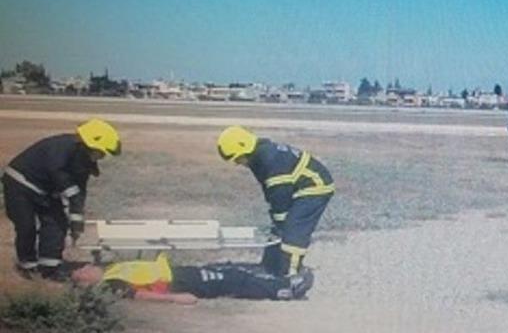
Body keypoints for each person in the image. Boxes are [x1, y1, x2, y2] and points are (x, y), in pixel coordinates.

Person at [2, 119, 121, 280]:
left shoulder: (83, 159)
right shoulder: (62, 146)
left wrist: (76, 220)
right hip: (20, 184)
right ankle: (27, 266)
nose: (100, 157)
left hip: (45, 192)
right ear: (88, 144)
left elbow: (79, 191)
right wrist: (70, 193)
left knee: (57, 223)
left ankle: (49, 268)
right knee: (26, 226)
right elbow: (56, 172)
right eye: (99, 152)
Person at [217, 126, 334, 277]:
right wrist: (277, 220)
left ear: (245, 149)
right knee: (279, 227)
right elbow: (269, 189)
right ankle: (270, 267)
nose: (239, 163)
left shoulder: (269, 160)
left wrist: (280, 220)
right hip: (298, 185)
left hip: (315, 187)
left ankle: (291, 274)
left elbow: (280, 195)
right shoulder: (258, 156)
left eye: (238, 159)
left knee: (294, 228)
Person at [70, 253, 313, 303]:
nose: (87, 267)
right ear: (87, 283)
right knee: (229, 282)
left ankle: (276, 282)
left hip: (180, 273)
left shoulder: (112, 269)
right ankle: (285, 290)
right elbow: (141, 294)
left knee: (229, 272)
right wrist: (176, 299)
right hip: (180, 283)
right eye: (83, 272)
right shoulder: (111, 284)